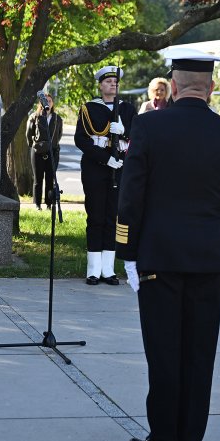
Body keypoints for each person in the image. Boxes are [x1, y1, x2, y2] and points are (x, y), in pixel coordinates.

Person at [116, 46, 220, 441]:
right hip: (210, 259)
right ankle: (190, 440)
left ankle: (163, 438)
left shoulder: (148, 126)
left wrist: (127, 250)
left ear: (173, 87)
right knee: (199, 351)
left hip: (158, 256)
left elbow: (131, 194)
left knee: (163, 349)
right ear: (210, 88)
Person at [75, 65, 137, 285]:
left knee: (113, 217)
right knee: (96, 217)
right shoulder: (89, 108)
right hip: (96, 167)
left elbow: (137, 136)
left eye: (115, 82)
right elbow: (81, 139)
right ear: (100, 85)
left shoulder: (127, 109)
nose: (113, 85)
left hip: (118, 167)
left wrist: (125, 131)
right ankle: (93, 269)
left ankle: (108, 269)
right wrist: (103, 158)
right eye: (109, 82)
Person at [26, 93, 63, 210]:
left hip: (53, 152)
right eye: (45, 100)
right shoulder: (34, 116)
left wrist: (52, 145)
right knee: (38, 179)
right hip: (37, 152)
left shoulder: (57, 118)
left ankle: (49, 204)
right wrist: (35, 146)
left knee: (50, 178)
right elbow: (29, 133)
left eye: (50, 101)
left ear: (53, 104)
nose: (48, 102)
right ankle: (37, 204)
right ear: (40, 103)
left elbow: (59, 134)